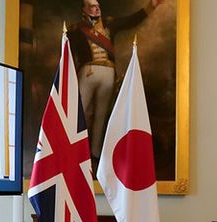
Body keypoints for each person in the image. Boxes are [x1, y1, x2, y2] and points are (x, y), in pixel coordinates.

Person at [68, 0, 164, 164]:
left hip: (108, 72)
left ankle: (95, 154)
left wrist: (151, 6)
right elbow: (69, 53)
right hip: (87, 72)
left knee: (101, 115)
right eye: (91, 6)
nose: (96, 8)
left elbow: (131, 20)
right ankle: (75, 152)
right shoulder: (76, 30)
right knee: (80, 114)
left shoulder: (110, 25)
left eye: (97, 6)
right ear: (83, 9)